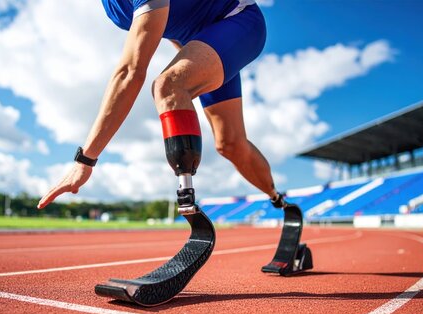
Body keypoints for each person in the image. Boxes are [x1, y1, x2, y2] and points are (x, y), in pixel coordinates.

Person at [37, 0, 286, 210]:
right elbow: (172, 25)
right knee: (229, 144)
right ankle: (280, 201)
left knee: (168, 87)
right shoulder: (112, 9)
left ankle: (189, 203)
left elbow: (130, 73)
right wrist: (190, 59)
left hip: (238, 22)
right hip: (202, 41)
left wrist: (85, 161)